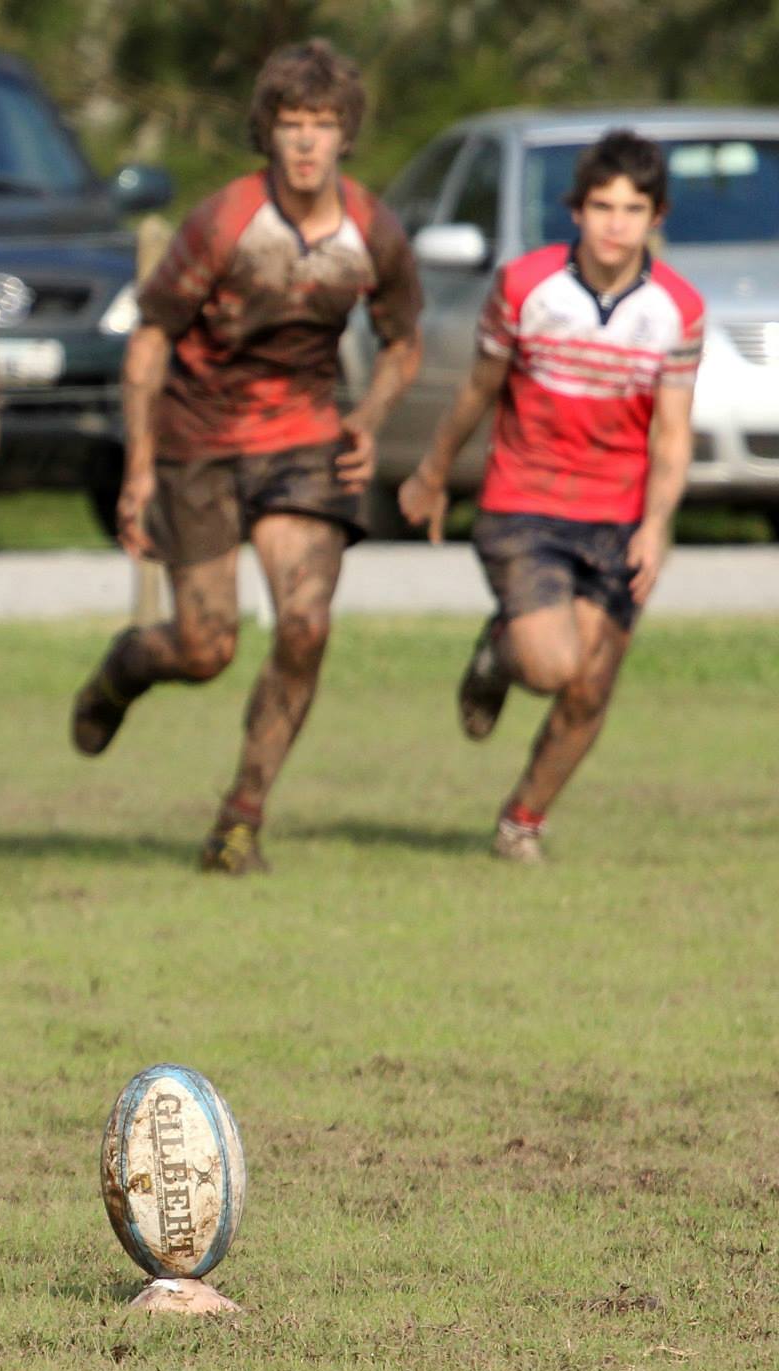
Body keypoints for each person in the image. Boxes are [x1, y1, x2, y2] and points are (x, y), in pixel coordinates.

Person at [67, 39, 424, 873]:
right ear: (268, 131)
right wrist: (141, 467)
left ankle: (240, 820)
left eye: (323, 125)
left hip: (304, 440)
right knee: (206, 647)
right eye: (292, 124)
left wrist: (369, 417)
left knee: (305, 625)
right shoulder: (226, 220)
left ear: (346, 134)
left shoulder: (371, 228)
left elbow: (404, 344)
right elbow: (152, 337)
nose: (306, 142)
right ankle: (127, 666)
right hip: (200, 442)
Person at [397, 131, 700, 863]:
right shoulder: (525, 286)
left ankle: (521, 824)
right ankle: (501, 653)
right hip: (525, 503)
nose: (615, 224)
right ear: (575, 209)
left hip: (619, 513)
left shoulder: (678, 309)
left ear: (656, 216)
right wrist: (432, 471)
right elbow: (479, 388)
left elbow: (671, 435)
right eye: (601, 206)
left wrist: (656, 526)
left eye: (632, 209)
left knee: (591, 683)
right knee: (553, 665)